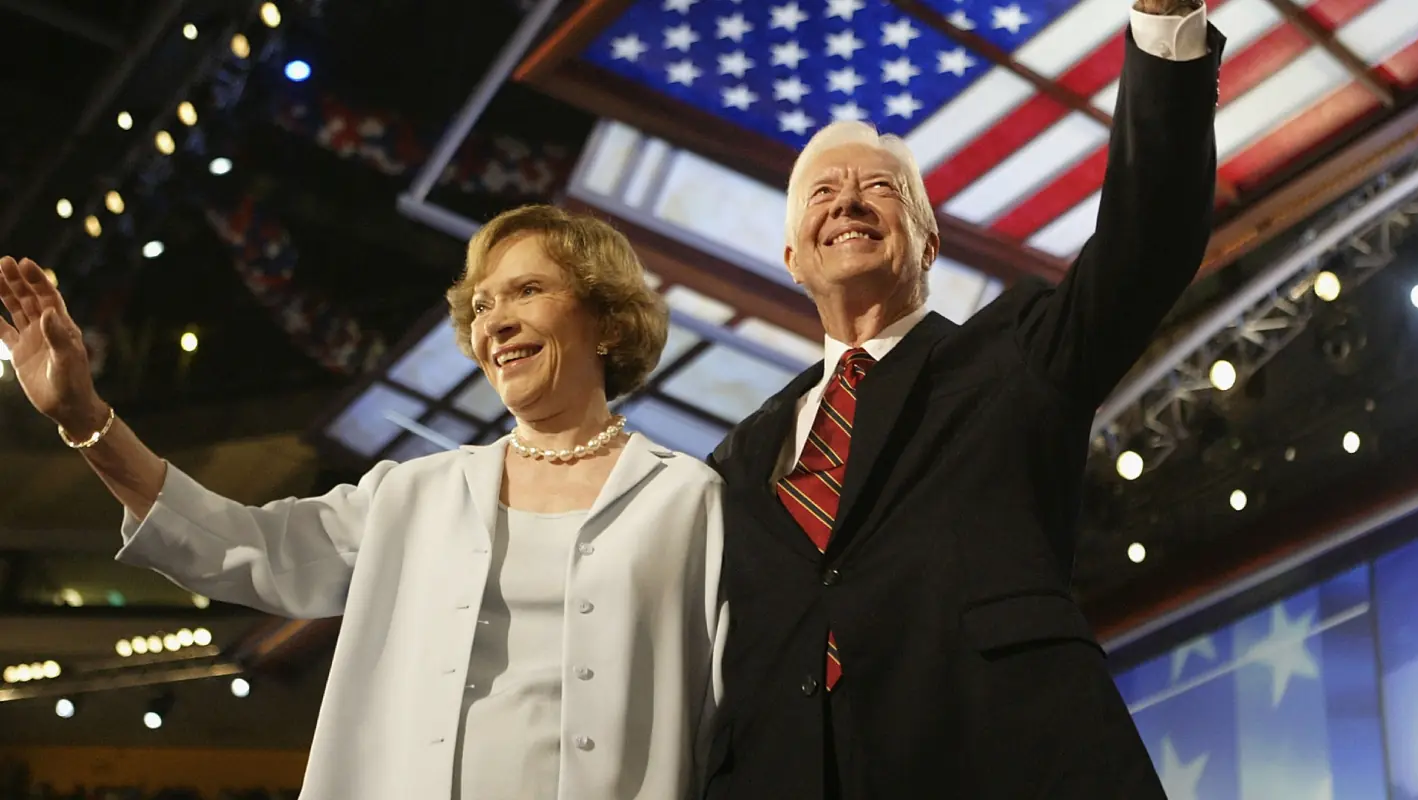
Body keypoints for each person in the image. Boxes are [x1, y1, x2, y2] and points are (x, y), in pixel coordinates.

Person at [0, 204, 725, 800]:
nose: (494, 321)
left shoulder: (688, 500)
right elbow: (235, 546)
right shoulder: (414, 495)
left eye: (527, 290)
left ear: (608, 319)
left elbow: (737, 708)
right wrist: (84, 419)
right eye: (482, 305)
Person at [699, 1, 1223, 798]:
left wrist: (1165, 27)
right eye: (822, 194)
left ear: (929, 242)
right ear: (791, 260)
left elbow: (1145, 241)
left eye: (878, 187)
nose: (847, 202)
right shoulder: (732, 462)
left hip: (1011, 765)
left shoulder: (1016, 354)